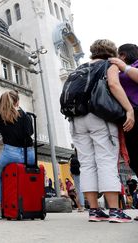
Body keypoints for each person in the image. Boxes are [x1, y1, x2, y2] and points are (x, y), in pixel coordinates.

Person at [70, 39, 134, 223]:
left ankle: (94, 211)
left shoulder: (79, 68)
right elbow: (114, 85)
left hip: (76, 120)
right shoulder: (109, 64)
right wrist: (128, 109)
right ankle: (114, 210)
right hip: (99, 117)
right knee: (105, 160)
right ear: (111, 51)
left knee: (87, 163)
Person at [0, 90, 35, 220]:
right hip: (29, 154)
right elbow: (30, 132)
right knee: (31, 174)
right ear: (17, 102)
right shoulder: (25, 115)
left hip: (10, 153)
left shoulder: (0, 116)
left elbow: (1, 108)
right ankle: (31, 205)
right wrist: (20, 109)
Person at [110, 44, 138, 178]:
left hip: (134, 111)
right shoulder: (118, 71)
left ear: (123, 55)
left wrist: (124, 67)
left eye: (118, 55)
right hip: (128, 117)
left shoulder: (131, 67)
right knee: (133, 157)